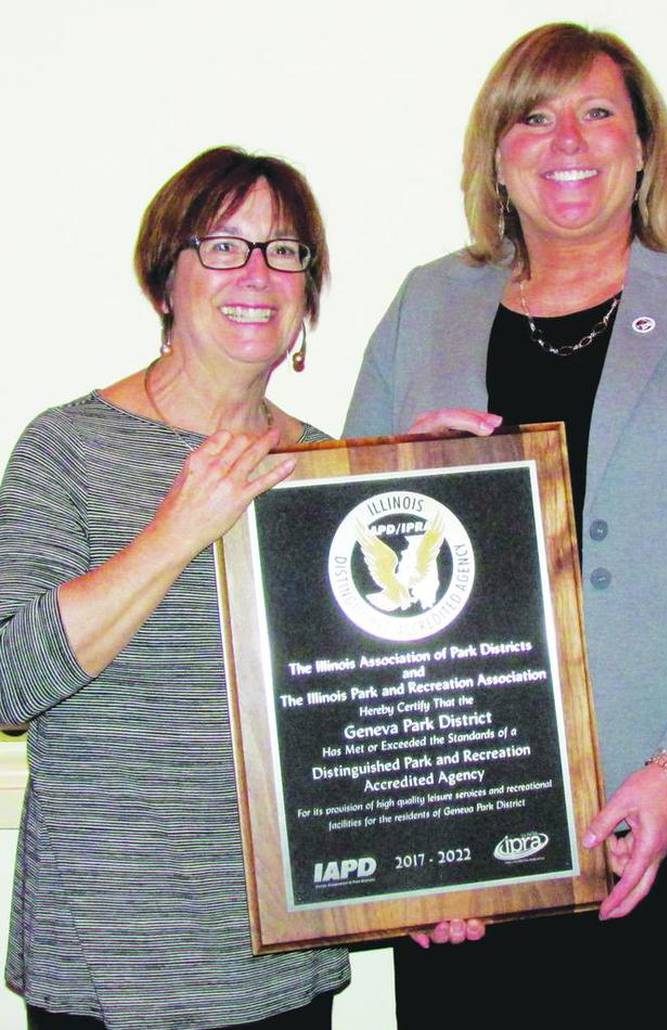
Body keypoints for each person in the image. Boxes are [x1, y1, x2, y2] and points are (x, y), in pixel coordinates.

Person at [344, 23, 667, 1028]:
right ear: (494, 158)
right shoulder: (427, 302)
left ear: (643, 147)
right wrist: (414, 835)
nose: (566, 142)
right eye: (532, 117)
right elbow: (348, 567)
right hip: (466, 790)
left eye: (598, 113)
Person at [0, 147, 349, 1029]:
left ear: (307, 294)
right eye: (223, 246)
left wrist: (437, 483)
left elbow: (362, 711)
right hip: (109, 959)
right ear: (166, 281)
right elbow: (7, 681)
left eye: (284, 250)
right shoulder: (67, 449)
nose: (258, 273)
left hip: (282, 955)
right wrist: (179, 529)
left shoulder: (325, 465)